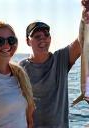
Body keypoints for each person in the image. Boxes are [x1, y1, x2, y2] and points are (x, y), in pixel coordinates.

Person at [19, 0, 89, 128]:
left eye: (46, 35)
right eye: (37, 36)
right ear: (28, 41)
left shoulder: (61, 58)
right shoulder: (20, 69)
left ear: (50, 38)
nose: (43, 39)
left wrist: (84, 16)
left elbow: (81, 40)